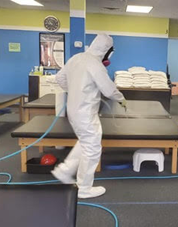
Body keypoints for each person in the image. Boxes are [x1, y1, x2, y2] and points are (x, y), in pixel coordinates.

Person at [52, 34, 126, 199]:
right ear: (106, 51)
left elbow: (59, 78)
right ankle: (84, 188)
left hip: (74, 110)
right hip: (85, 112)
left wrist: (74, 90)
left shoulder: (77, 58)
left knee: (85, 142)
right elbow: (109, 90)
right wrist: (122, 99)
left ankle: (64, 171)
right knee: (92, 148)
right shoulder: (95, 64)